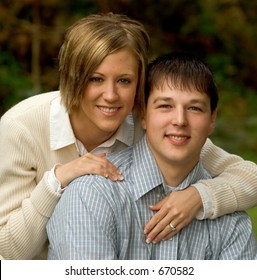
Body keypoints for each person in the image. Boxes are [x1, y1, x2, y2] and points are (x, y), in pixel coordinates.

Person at [0, 13, 257, 260]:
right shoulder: (21, 127)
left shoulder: (147, 123)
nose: (111, 95)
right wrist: (57, 179)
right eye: (96, 79)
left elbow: (250, 177)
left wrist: (199, 196)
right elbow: (9, 251)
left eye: (124, 81)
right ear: (72, 76)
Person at [47, 53, 257, 260]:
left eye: (194, 108)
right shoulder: (92, 196)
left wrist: (200, 197)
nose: (180, 120)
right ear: (143, 115)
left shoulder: (231, 220)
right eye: (165, 106)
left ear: (212, 119)